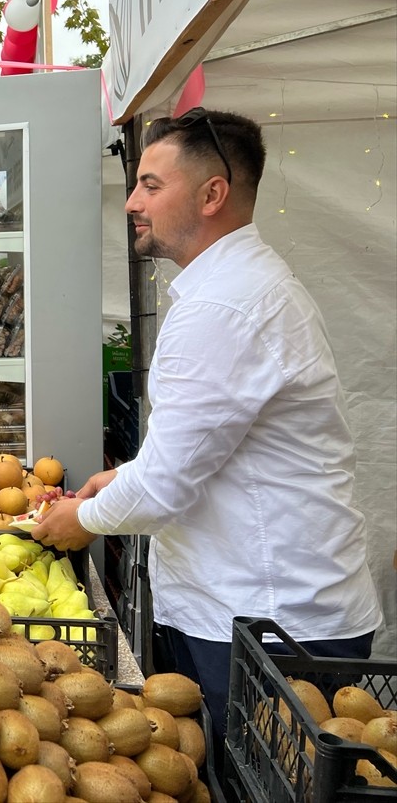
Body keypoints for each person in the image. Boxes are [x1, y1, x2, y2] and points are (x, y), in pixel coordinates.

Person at [33, 108, 382, 746]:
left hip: (270, 623)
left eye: (151, 185)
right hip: (261, 611)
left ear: (213, 194)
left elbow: (167, 486)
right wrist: (121, 475)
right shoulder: (239, 286)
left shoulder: (224, 305)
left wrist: (75, 522)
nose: (134, 201)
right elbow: (205, 451)